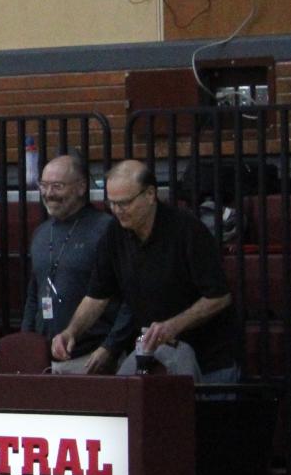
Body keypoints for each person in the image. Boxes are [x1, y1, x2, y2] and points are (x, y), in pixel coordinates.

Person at [52, 160, 241, 381]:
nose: (117, 211)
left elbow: (219, 297)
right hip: (156, 354)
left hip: (210, 358)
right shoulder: (114, 234)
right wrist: (71, 331)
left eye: (124, 203)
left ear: (150, 195)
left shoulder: (187, 231)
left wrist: (173, 325)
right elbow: (97, 295)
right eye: (111, 203)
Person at [23, 152, 129, 373]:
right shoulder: (41, 233)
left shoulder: (107, 229)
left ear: (81, 187)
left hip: (93, 356)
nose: (48, 194)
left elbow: (129, 293)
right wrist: (27, 343)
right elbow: (34, 294)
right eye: (43, 185)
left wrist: (111, 347)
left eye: (58, 186)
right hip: (45, 358)